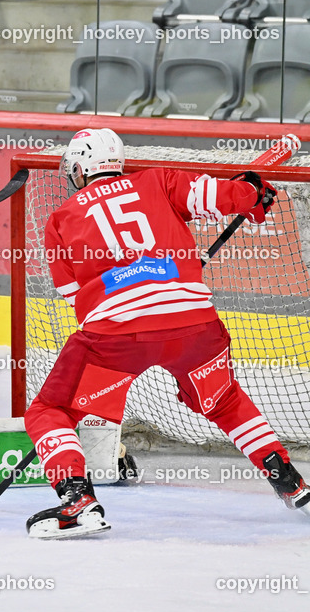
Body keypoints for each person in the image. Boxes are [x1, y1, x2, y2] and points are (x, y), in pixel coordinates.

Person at [23, 127, 310, 539]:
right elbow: (222, 195)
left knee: (51, 412)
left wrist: (109, 376)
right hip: (193, 326)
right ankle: (292, 485)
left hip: (114, 337)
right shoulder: (157, 180)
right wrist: (250, 191)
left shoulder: (60, 219)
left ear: (81, 169)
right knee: (226, 401)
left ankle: (77, 501)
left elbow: (78, 303)